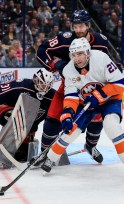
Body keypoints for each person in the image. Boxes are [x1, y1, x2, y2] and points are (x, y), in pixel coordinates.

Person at [40, 38, 124, 182]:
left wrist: (99, 95)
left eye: (80, 54)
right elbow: (70, 96)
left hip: (110, 99)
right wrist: (67, 114)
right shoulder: (69, 70)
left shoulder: (101, 58)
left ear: (87, 52)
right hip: (86, 102)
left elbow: (120, 84)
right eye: (74, 55)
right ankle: (50, 159)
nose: (77, 58)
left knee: (111, 125)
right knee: (71, 130)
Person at [36, 10, 110, 164]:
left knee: (97, 120)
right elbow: (42, 50)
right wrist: (55, 64)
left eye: (81, 26)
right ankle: (44, 153)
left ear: (88, 25)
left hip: (92, 89)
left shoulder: (101, 42)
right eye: (75, 26)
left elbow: (109, 64)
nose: (78, 30)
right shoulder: (65, 39)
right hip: (69, 87)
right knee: (52, 119)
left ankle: (90, 146)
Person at [0, 68, 55, 168]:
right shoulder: (23, 86)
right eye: (42, 83)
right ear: (35, 80)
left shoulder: (52, 96)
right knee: (17, 117)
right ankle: (2, 146)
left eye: (48, 85)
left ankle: (22, 143)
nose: (44, 88)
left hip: (28, 128)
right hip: (8, 112)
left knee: (21, 156)